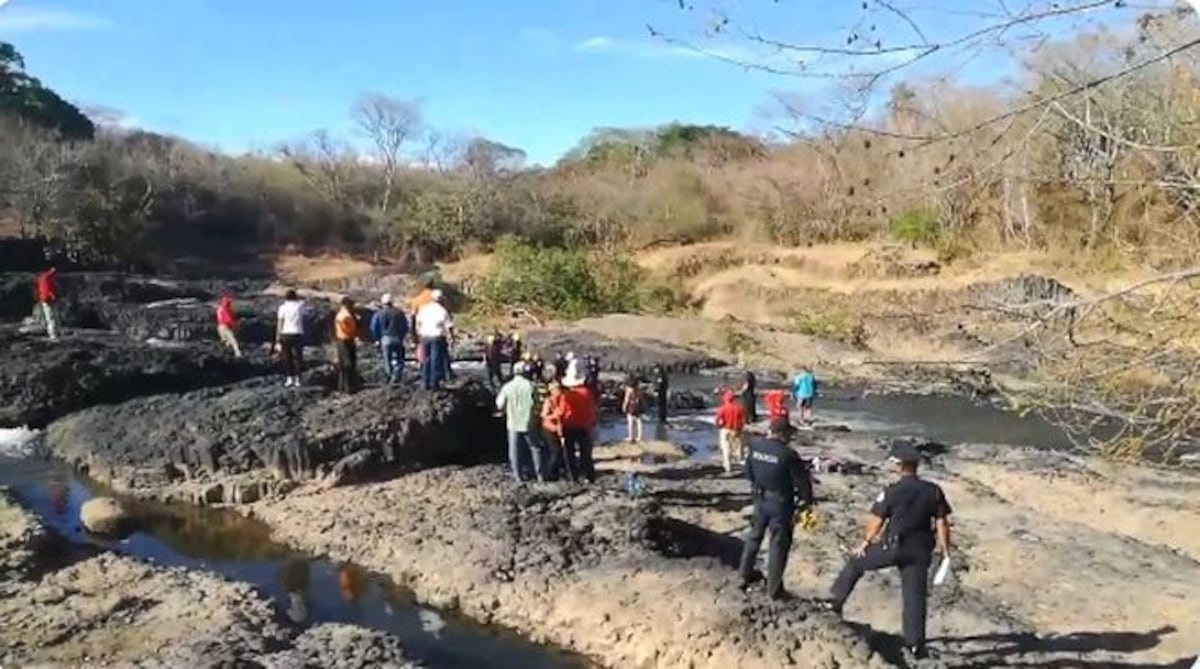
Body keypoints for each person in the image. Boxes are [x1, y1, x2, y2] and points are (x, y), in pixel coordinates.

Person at [822, 441, 953, 662]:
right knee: (915, 597)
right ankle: (915, 646)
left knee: (856, 563)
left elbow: (876, 521)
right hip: (920, 550)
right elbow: (942, 523)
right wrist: (945, 550)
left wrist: (865, 542)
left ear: (900, 465)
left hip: (894, 546)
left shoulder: (892, 491)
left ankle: (834, 601)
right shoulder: (934, 491)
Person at [738, 417, 814, 600]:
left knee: (754, 537)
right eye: (788, 433)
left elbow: (748, 472)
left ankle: (743, 574)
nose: (790, 437)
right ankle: (774, 590)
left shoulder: (755, 446)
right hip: (781, 504)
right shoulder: (788, 455)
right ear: (782, 433)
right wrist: (806, 503)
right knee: (778, 546)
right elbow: (803, 483)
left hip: (759, 498)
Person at [496, 362, 543, 483]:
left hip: (513, 423)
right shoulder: (531, 386)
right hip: (529, 422)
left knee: (514, 451)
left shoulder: (507, 387)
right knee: (534, 448)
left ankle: (518, 476)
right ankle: (539, 475)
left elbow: (500, 405)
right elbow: (538, 404)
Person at [560, 369, 597, 483]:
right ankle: (589, 476)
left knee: (569, 452)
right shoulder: (588, 393)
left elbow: (562, 412)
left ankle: (573, 477)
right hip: (584, 425)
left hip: (569, 425)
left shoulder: (566, 395)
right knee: (585, 452)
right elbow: (593, 409)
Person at [414, 289, 454, 390]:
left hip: (425, 336)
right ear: (441, 300)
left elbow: (418, 323)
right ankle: (434, 383)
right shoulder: (442, 310)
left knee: (425, 360)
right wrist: (451, 338)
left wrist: (419, 335)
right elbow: (449, 326)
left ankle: (425, 382)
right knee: (436, 360)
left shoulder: (424, 309)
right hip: (437, 337)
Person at [370, 293, 408, 386]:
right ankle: (397, 376)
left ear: (383, 303)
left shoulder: (379, 313)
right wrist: (402, 336)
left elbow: (374, 327)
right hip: (397, 338)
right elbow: (405, 326)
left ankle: (390, 376)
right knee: (400, 359)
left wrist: (377, 338)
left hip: (385, 338)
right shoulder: (399, 312)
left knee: (387, 359)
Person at [540, 381, 574, 481]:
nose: (559, 391)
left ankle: (559, 472)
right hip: (549, 428)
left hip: (559, 428)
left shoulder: (562, 399)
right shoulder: (548, 401)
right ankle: (548, 474)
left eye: (559, 389)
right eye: (557, 389)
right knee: (555, 451)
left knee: (561, 451)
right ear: (552, 391)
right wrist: (556, 416)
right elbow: (544, 415)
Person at [275, 290, 307, 388]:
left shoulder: (282, 308)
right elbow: (305, 299)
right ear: (295, 297)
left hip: (286, 334)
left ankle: (289, 378)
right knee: (298, 357)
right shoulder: (299, 306)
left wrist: (277, 338)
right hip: (297, 333)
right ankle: (298, 379)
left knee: (287, 357)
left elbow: (280, 323)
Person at [715, 390, 747, 473]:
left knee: (726, 448)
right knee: (738, 448)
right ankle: (741, 463)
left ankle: (728, 466)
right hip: (736, 430)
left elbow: (718, 420)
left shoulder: (723, 408)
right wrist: (740, 428)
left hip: (726, 429)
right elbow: (743, 420)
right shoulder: (739, 408)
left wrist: (719, 426)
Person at [333, 297, 360, 395]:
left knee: (344, 365)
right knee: (348, 364)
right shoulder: (345, 315)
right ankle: (349, 387)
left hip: (343, 340)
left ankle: (343, 387)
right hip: (346, 340)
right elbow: (350, 329)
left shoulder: (342, 314)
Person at [34, 266, 59, 341]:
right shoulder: (47, 278)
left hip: (44, 299)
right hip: (47, 299)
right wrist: (53, 296)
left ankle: (54, 333)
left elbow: (40, 289)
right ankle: (53, 335)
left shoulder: (42, 278)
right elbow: (47, 289)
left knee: (51, 317)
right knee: (51, 317)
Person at [215, 293, 242, 358]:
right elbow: (229, 319)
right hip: (225, 326)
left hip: (219, 327)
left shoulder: (219, 309)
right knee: (233, 340)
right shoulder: (225, 309)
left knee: (226, 340)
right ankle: (238, 353)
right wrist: (235, 325)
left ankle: (225, 352)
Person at [621, 375, 644, 443]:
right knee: (639, 421)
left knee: (630, 421)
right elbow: (641, 398)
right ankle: (639, 437)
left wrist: (624, 406)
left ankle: (631, 437)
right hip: (638, 405)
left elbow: (627, 399)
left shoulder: (629, 389)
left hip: (631, 405)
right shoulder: (639, 389)